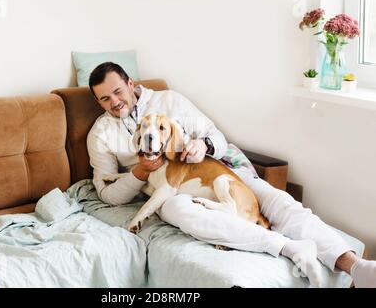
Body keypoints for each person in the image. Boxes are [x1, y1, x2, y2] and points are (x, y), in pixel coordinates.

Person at [86, 61, 376, 288]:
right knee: (178, 209)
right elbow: (108, 194)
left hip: (220, 170)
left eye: (118, 92)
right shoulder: (100, 134)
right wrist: (138, 173)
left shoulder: (170, 102)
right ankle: (288, 248)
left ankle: (354, 266)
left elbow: (216, 136)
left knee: (280, 202)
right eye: (104, 99)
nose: (114, 102)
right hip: (175, 193)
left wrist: (204, 145)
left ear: (130, 83)